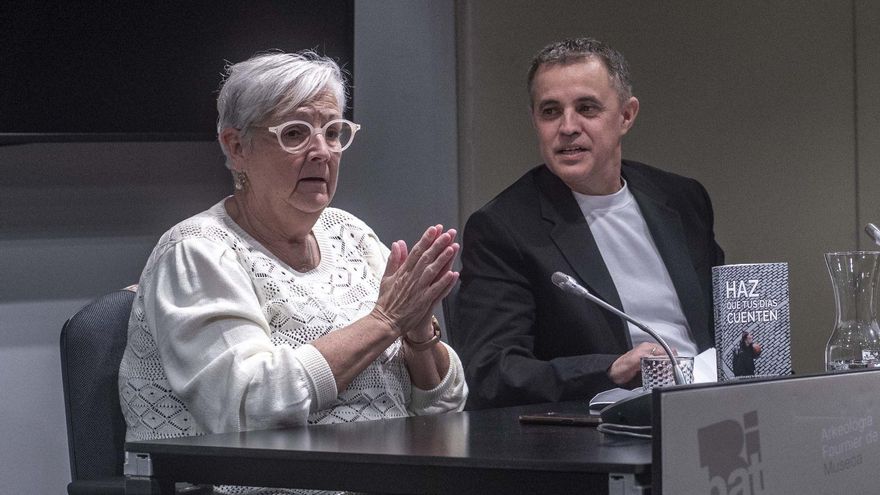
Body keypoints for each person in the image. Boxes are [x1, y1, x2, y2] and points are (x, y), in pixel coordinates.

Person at [118, 51, 467, 493]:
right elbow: (249, 408)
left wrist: (418, 336)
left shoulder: (351, 235)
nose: (322, 151)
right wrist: (384, 323)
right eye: (295, 133)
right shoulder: (198, 252)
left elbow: (446, 408)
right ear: (236, 146)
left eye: (333, 131)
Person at [454, 37, 724, 409]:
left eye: (586, 108)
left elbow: (723, 321)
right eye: (550, 111)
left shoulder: (682, 200)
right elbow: (491, 371)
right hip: (607, 421)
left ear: (626, 116)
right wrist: (609, 370)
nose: (568, 127)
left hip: (710, 402)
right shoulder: (504, 228)